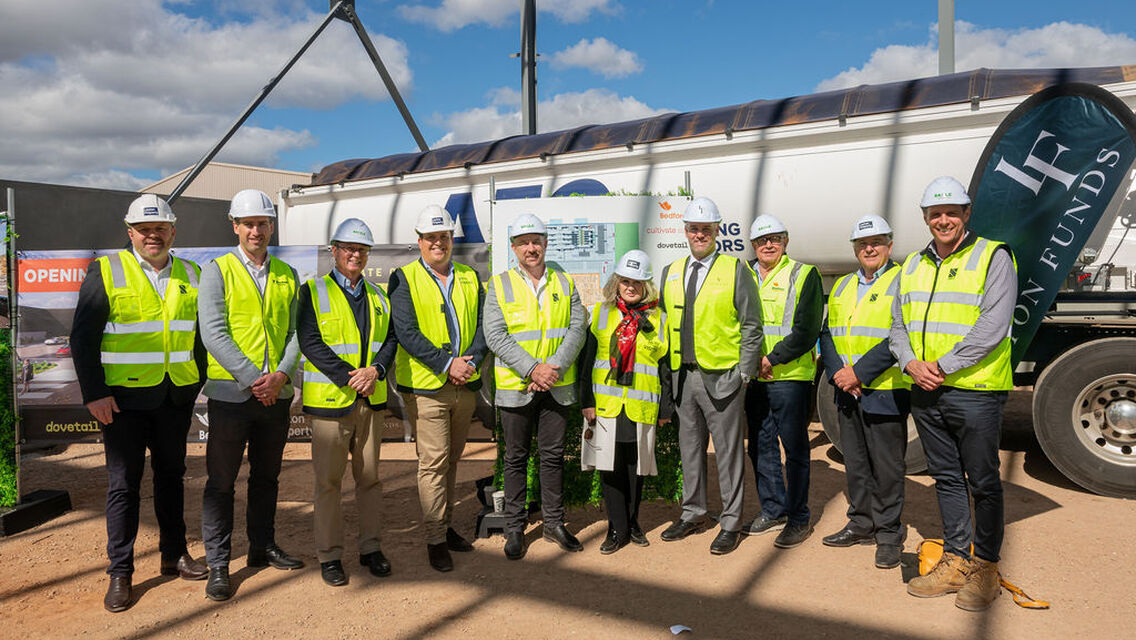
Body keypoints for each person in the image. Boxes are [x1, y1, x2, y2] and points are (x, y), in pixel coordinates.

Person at [70, 194, 208, 612]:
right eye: (144, 230)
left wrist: (194, 382)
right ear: (130, 233)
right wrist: (95, 393)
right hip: (122, 402)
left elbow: (200, 337)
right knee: (123, 485)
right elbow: (83, 337)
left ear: (173, 231)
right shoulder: (107, 270)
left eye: (160, 228)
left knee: (171, 477)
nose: (153, 236)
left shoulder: (192, 273)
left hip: (174, 396)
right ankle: (121, 571)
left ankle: (174, 554)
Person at [891, 176, 1016, 611]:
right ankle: (956, 560)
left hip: (974, 390)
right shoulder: (912, 264)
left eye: (950, 213)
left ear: (966, 214)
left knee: (983, 482)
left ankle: (986, 567)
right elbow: (898, 325)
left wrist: (941, 366)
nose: (942, 220)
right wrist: (910, 363)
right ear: (925, 218)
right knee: (945, 477)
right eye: (935, 214)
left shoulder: (993, 256)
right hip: (925, 389)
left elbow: (993, 325)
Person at [198, 189, 303, 602]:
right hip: (231, 397)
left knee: (267, 478)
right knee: (221, 483)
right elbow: (213, 332)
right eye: (248, 224)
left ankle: (262, 546)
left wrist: (280, 376)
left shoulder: (287, 274)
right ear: (235, 227)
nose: (255, 230)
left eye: (262, 223)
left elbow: (296, 332)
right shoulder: (217, 271)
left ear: (271, 227)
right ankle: (219, 563)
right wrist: (253, 379)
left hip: (275, 395)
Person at [658, 197, 762, 556]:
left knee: (729, 454)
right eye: (694, 228)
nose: (699, 234)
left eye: (706, 229)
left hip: (723, 378)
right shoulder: (671, 271)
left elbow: (752, 325)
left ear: (717, 231)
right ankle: (694, 512)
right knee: (690, 451)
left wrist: (744, 373)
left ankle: (731, 523)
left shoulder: (735, 269)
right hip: (682, 377)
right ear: (685, 231)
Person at [298, 218, 397, 587]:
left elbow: (391, 340)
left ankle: (371, 549)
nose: (356, 254)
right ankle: (330, 556)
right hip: (332, 402)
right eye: (349, 248)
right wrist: (349, 376)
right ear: (335, 251)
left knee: (370, 480)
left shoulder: (379, 296)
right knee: (328, 483)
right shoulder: (312, 291)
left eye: (362, 249)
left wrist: (376, 371)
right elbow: (310, 341)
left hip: (370, 401)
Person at [388, 205, 486, 572]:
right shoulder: (404, 277)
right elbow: (406, 331)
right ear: (419, 241)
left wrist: (470, 362)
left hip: (465, 384)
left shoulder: (469, 276)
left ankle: (444, 526)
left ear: (451, 239)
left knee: (452, 460)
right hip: (427, 387)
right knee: (433, 463)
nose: (438, 243)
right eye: (431, 237)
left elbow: (483, 325)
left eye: (443, 236)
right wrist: (447, 364)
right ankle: (434, 538)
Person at [484, 213, 587, 560]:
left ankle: (554, 524)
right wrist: (533, 370)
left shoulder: (564, 281)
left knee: (553, 457)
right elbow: (495, 335)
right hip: (518, 387)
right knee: (515, 458)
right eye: (523, 242)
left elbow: (577, 327)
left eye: (536, 241)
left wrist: (552, 369)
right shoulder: (498, 285)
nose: (531, 248)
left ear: (545, 244)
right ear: (514, 248)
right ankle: (514, 528)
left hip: (556, 385)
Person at [817, 215, 910, 569]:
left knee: (887, 468)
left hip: (885, 390)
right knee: (855, 463)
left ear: (889, 245)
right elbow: (828, 333)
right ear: (855, 249)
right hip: (847, 391)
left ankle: (888, 534)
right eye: (862, 244)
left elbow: (901, 334)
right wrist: (839, 374)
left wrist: (858, 373)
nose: (869, 249)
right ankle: (861, 523)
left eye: (876, 242)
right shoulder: (843, 285)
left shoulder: (902, 281)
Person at [579, 250, 672, 554]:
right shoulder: (601, 313)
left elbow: (663, 367)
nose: (630, 287)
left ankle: (632, 523)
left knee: (635, 468)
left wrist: (665, 408)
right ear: (616, 283)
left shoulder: (658, 318)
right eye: (625, 281)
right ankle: (616, 528)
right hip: (606, 407)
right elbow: (587, 361)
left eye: (637, 282)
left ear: (646, 286)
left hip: (641, 406)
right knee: (610, 468)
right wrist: (586, 400)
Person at [744, 214, 823, 550]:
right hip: (754, 378)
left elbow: (807, 330)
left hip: (790, 377)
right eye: (762, 240)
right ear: (753, 245)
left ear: (785, 241)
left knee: (795, 449)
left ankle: (798, 517)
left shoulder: (803, 274)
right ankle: (773, 509)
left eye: (775, 238)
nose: (768, 244)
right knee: (759, 446)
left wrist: (770, 359)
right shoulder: (743, 274)